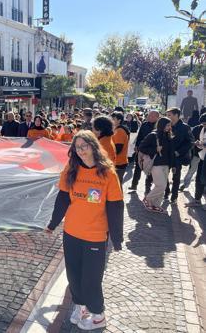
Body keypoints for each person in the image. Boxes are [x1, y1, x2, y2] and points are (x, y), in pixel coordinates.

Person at [45, 130, 123, 330]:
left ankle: (98, 315)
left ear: (93, 146)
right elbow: (62, 199)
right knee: (73, 275)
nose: (80, 151)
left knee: (91, 279)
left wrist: (117, 237)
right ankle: (81, 308)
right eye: (77, 147)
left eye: (84, 146)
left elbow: (115, 207)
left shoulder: (107, 173)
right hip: (71, 233)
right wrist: (53, 223)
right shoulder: (70, 170)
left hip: (95, 236)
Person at [138, 117, 175, 214]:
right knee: (161, 185)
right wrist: (155, 150)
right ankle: (147, 199)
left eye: (170, 125)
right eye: (167, 125)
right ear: (162, 125)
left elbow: (170, 152)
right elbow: (141, 147)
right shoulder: (153, 135)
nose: (169, 127)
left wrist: (173, 165)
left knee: (162, 187)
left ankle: (155, 205)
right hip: (156, 164)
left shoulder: (168, 135)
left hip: (166, 165)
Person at [164, 107, 194, 204]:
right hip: (166, 155)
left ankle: (174, 196)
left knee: (176, 177)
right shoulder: (166, 126)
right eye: (167, 115)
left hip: (178, 157)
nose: (167, 117)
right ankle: (166, 192)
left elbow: (190, 142)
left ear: (176, 115)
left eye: (169, 115)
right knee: (164, 175)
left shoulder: (185, 127)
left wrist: (179, 152)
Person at [128, 110, 159, 192]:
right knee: (138, 167)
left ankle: (147, 188)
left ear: (157, 117)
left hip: (152, 151)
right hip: (141, 149)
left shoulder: (159, 126)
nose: (149, 117)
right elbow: (140, 136)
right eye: (148, 115)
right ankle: (134, 185)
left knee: (149, 170)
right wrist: (137, 146)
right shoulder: (144, 124)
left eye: (151, 116)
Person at [185, 114, 206, 207]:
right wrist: (197, 143)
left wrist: (204, 145)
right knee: (199, 178)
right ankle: (197, 200)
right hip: (202, 157)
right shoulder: (200, 128)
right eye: (203, 124)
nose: (204, 125)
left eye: (205, 124)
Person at [111, 112, 130, 185]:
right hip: (117, 161)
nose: (111, 120)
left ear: (119, 120)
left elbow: (118, 149)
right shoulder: (117, 129)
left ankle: (119, 197)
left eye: (113, 119)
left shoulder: (120, 131)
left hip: (118, 162)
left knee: (116, 185)